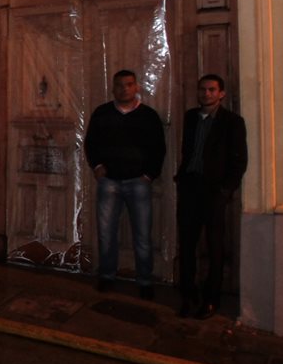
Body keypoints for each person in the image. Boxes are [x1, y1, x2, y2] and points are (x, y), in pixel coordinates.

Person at [83, 69, 167, 299]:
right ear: (113, 88)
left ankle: (145, 280)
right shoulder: (102, 113)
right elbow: (91, 143)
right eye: (120, 85)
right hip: (109, 182)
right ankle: (107, 276)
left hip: (138, 182)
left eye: (129, 84)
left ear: (136, 87)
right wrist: (97, 166)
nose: (124, 89)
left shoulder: (148, 116)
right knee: (106, 233)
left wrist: (149, 175)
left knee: (142, 234)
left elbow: (159, 148)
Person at [174, 74, 247, 319]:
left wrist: (225, 191)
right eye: (202, 89)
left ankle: (211, 298)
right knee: (187, 245)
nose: (206, 94)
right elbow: (188, 151)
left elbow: (239, 161)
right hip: (190, 189)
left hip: (214, 192)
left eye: (212, 90)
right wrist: (182, 179)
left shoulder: (232, 122)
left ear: (221, 93)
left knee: (215, 247)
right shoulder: (190, 117)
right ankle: (188, 295)